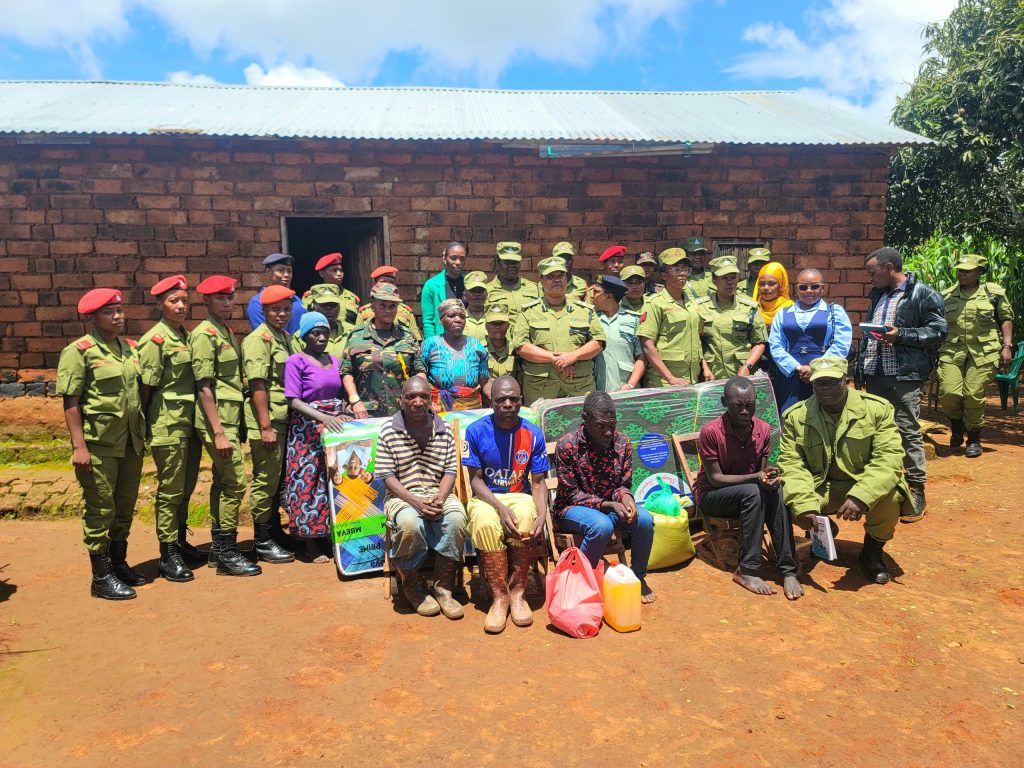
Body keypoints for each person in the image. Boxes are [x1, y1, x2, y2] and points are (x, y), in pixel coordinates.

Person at [779, 357, 914, 584]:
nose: (826, 388)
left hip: (860, 482)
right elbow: (792, 465)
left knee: (892, 495)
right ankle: (821, 532)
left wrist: (862, 495)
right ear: (812, 384)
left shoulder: (876, 409)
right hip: (820, 487)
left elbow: (889, 458)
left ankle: (872, 551)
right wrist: (805, 504)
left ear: (846, 381)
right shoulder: (796, 416)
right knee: (782, 499)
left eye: (833, 382)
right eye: (820, 383)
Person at [57, 288, 147, 600]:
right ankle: (101, 576)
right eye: (109, 312)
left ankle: (119, 564)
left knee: (124, 507)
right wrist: (79, 446)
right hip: (99, 444)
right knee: (101, 508)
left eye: (119, 310)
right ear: (92, 317)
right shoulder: (79, 351)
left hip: (131, 441)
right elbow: (71, 401)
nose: (117, 317)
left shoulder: (130, 349)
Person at [858, 247, 947, 521]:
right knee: (876, 431)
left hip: (904, 375)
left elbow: (939, 331)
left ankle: (916, 488)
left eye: (872, 272)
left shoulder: (923, 293)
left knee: (907, 431)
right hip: (875, 371)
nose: (870, 277)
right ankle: (883, 486)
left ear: (888, 267)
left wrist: (902, 335)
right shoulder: (878, 294)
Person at [693, 377, 802, 600]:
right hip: (713, 496)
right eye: (738, 406)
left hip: (749, 495)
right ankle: (747, 570)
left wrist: (769, 478)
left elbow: (761, 474)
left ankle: (788, 569)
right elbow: (715, 479)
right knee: (753, 492)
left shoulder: (763, 428)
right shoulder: (711, 431)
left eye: (750, 405)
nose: (745, 411)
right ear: (724, 402)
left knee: (776, 490)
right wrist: (756, 478)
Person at [376, 377, 468, 619]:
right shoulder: (388, 430)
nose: (417, 402)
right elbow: (386, 475)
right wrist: (415, 501)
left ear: (431, 399)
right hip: (402, 496)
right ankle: (413, 586)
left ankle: (443, 587)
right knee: (409, 523)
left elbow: (450, 470)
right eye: (411, 397)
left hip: (438, 493)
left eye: (423, 397)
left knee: (456, 519)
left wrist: (441, 497)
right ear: (401, 400)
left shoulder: (443, 429)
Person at [463, 376, 549, 633]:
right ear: (491, 402)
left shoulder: (533, 433)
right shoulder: (476, 431)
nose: (508, 404)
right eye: (501, 399)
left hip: (519, 495)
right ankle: (499, 597)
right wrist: (499, 508)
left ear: (521, 401)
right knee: (485, 521)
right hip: (486, 497)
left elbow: (538, 483)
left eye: (513, 399)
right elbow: (475, 480)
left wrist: (542, 516)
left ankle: (518, 593)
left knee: (524, 517)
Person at [553, 392, 656, 603]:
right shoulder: (568, 445)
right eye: (601, 426)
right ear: (585, 419)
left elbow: (622, 485)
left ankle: (637, 578)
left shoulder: (622, 443)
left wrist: (626, 498)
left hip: (610, 508)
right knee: (601, 526)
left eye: (612, 425)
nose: (608, 432)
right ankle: (582, 583)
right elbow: (571, 493)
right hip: (572, 509)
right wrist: (607, 504)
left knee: (645, 520)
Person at [189, 276, 261, 577]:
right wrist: (218, 432)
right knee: (235, 483)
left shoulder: (225, 331)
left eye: (230, 297)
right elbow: (203, 386)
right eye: (220, 298)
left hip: (230, 417)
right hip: (217, 420)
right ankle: (228, 554)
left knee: (222, 482)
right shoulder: (204, 335)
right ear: (206, 301)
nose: (227, 302)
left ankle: (219, 550)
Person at [137, 275, 204, 583]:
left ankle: (179, 542)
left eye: (184, 301)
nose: (180, 306)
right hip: (167, 424)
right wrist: (145, 429)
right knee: (170, 490)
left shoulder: (185, 336)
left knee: (185, 488)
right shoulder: (155, 340)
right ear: (159, 305)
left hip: (189, 422)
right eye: (173, 301)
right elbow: (145, 389)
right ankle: (168, 555)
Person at [284, 312, 350, 564]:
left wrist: (342, 411)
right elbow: (293, 400)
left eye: (325, 332)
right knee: (309, 481)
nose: (322, 337)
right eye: (315, 333)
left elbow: (340, 393)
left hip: (333, 428)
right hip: (308, 430)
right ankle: (310, 544)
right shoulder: (296, 361)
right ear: (304, 336)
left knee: (332, 479)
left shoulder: (333, 360)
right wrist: (322, 417)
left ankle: (331, 537)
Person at [938, 253, 1015, 458]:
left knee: (973, 393)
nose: (961, 274)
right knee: (949, 393)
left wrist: (1007, 346)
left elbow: (1006, 318)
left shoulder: (993, 294)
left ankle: (973, 438)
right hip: (952, 350)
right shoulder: (947, 295)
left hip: (984, 351)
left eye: (967, 271)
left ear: (980, 272)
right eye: (959, 271)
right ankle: (957, 425)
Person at [241, 284, 298, 565]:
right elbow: (257, 385)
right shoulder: (258, 340)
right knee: (265, 481)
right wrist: (265, 427)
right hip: (268, 422)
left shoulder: (284, 338)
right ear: (264, 310)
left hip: (282, 419)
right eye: (276, 309)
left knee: (277, 480)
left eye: (286, 309)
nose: (282, 314)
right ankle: (262, 541)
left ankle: (274, 532)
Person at [512, 256, 606, 405]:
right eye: (550, 277)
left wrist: (574, 356)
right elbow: (521, 347)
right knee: (539, 420)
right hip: (541, 389)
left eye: (561, 276)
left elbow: (599, 342)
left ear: (566, 279)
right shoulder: (528, 312)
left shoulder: (584, 310)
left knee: (582, 420)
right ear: (541, 281)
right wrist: (555, 358)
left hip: (579, 386)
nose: (556, 280)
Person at [768, 269, 853, 413]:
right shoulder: (782, 313)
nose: (809, 291)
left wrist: (816, 368)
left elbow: (841, 344)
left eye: (814, 286)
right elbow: (775, 345)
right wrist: (797, 368)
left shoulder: (835, 312)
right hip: (791, 377)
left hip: (825, 376)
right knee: (789, 414)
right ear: (797, 289)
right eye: (803, 287)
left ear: (823, 288)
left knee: (824, 415)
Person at [340, 281, 426, 419]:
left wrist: (421, 399)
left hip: (403, 410)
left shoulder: (407, 336)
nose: (388, 310)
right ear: (372, 305)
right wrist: (355, 400)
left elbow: (419, 371)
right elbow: (346, 372)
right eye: (383, 305)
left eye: (392, 306)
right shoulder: (356, 336)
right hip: (366, 411)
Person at [638, 248, 711, 387]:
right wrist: (670, 378)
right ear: (664, 275)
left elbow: (695, 339)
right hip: (664, 382)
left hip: (691, 378)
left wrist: (705, 366)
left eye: (685, 269)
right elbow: (647, 345)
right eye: (676, 269)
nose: (682, 273)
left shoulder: (692, 302)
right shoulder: (655, 303)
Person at [696, 256, 768, 380]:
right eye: (724, 278)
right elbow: (695, 343)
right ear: (714, 281)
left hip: (741, 374)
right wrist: (704, 367)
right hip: (711, 374)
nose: (729, 282)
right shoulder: (700, 307)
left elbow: (759, 343)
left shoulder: (749, 307)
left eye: (733, 277)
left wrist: (748, 366)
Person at [420, 299, 489, 411]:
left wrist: (496, 399)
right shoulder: (430, 344)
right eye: (451, 316)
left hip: (471, 408)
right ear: (441, 320)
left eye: (462, 316)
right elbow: (420, 374)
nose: (458, 320)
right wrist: (427, 401)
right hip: (438, 407)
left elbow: (485, 382)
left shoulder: (476, 345)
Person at [591, 275, 645, 392]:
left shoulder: (633, 320)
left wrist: (630, 385)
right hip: (594, 388)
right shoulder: (590, 318)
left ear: (608, 296)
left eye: (596, 292)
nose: (592, 296)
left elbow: (641, 356)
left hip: (624, 388)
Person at [356, 265, 422, 341]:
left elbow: (415, 339)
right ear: (374, 284)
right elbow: (357, 338)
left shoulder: (406, 312)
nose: (387, 286)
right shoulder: (364, 312)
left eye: (391, 282)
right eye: (383, 282)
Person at [247, 253, 305, 334]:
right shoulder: (258, 302)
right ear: (268, 272)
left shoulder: (296, 299)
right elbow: (264, 334)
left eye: (289, 271)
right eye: (280, 270)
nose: (286, 275)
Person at [420, 241, 466, 338]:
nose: (458, 262)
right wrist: (431, 343)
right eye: (453, 258)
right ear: (445, 259)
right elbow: (428, 321)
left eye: (462, 258)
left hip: (465, 340)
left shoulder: (468, 284)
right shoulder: (431, 285)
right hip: (441, 340)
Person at [486, 242, 541, 322]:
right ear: (498, 262)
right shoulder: (487, 291)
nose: (512, 266)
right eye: (507, 262)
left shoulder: (534, 288)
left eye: (515, 262)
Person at [306, 251, 361, 319]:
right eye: (334, 270)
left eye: (341, 270)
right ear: (322, 274)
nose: (339, 274)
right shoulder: (311, 297)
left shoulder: (352, 298)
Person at [302, 283, 349, 357]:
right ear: (313, 306)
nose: (329, 308)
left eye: (333, 305)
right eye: (324, 305)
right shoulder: (303, 335)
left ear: (339, 307)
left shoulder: (352, 331)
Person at [752, 261, 794, 333]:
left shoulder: (790, 308)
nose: (766, 288)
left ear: (780, 285)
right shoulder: (751, 308)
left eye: (771, 284)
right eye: (762, 284)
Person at [483, 302, 519, 385]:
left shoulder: (516, 350)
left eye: (501, 323)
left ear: (508, 325)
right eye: (493, 323)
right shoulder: (478, 349)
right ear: (486, 326)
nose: (497, 327)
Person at [462, 270, 490, 343]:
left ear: (487, 294)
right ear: (465, 295)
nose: (477, 294)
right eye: (473, 291)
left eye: (481, 290)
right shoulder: (459, 318)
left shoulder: (493, 317)